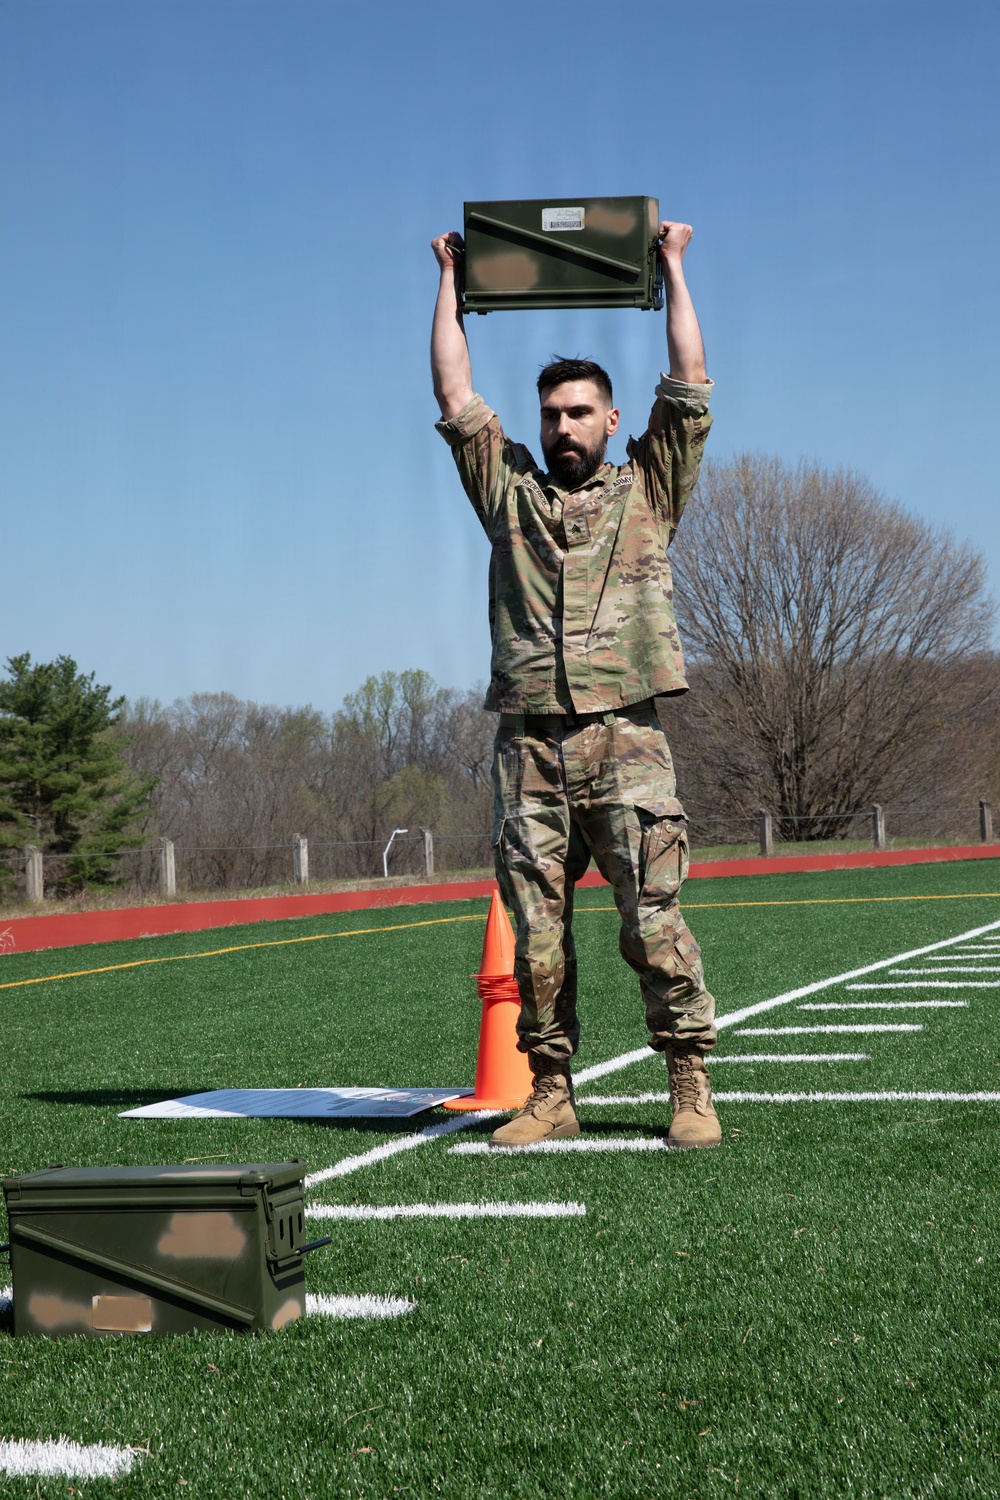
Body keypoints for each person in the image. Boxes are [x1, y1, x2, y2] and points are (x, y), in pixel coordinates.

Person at [430, 218, 720, 1149]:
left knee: (653, 922)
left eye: (580, 413)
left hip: (626, 737)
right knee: (538, 934)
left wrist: (672, 265)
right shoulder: (508, 494)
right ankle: (550, 1092)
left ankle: (689, 1083)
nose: (563, 427)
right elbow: (455, 394)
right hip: (530, 746)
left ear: (611, 421)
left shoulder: (649, 490)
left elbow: (690, 384)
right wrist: (450, 279)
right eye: (552, 414)